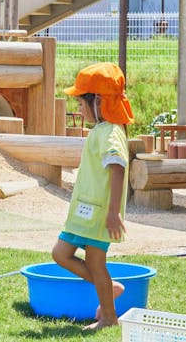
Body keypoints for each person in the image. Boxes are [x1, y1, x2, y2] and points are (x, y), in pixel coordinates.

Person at [52, 62, 133, 332]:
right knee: (61, 254)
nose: (78, 109)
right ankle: (109, 291)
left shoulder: (110, 131)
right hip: (87, 212)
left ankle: (109, 316)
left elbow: (118, 167)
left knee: (93, 262)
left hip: (98, 213)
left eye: (81, 103)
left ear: (98, 101)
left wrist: (113, 212)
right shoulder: (102, 130)